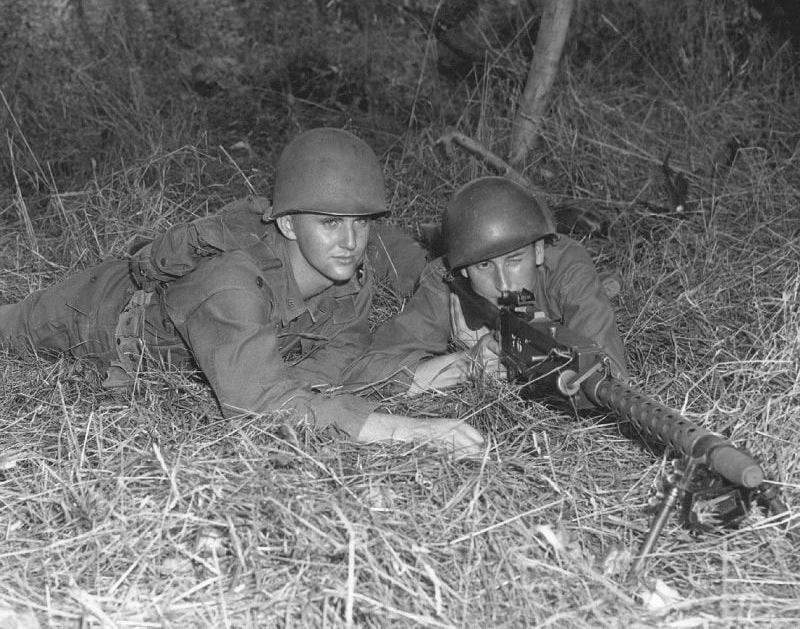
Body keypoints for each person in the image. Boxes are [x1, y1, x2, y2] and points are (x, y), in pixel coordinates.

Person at [0, 128, 483, 452]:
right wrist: (414, 431)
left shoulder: (345, 288)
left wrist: (439, 372)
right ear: (289, 224)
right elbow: (259, 403)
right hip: (92, 314)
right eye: (330, 222)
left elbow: (337, 365)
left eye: (360, 223)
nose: (350, 242)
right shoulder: (230, 282)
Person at [341, 176, 628, 395]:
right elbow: (365, 376)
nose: (503, 284)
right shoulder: (446, 282)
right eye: (484, 265)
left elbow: (607, 373)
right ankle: (393, 237)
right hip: (440, 268)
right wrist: (467, 362)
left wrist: (517, 367)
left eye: (515, 259)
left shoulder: (567, 268)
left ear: (539, 251)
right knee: (402, 263)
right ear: (464, 270)